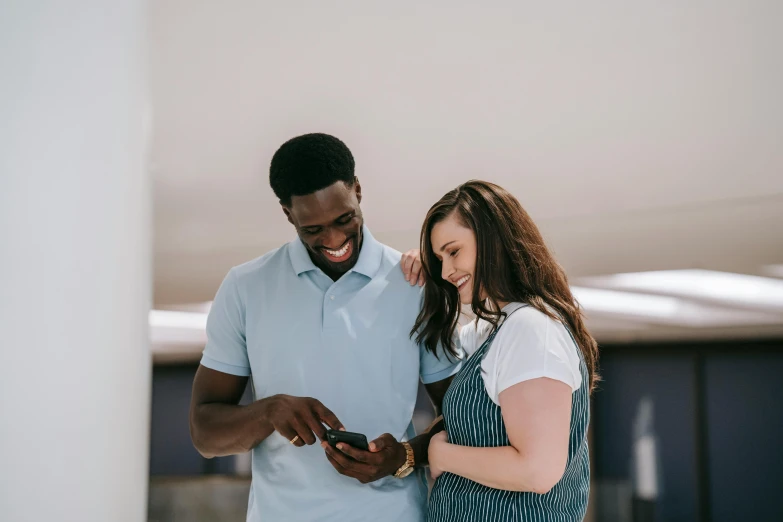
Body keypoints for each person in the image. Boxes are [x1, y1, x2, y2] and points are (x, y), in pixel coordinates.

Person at [188, 133, 460, 522]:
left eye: (344, 218)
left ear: (358, 192)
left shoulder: (415, 286)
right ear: (287, 214)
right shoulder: (245, 287)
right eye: (312, 229)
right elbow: (204, 432)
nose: (333, 240)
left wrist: (404, 456)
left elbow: (462, 415)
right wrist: (269, 412)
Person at [415, 180, 599, 521]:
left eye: (453, 251)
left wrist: (440, 454)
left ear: (492, 241)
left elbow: (537, 470)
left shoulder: (532, 329)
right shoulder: (500, 327)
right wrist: (410, 275)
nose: (445, 271)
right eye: (440, 258)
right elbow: (444, 339)